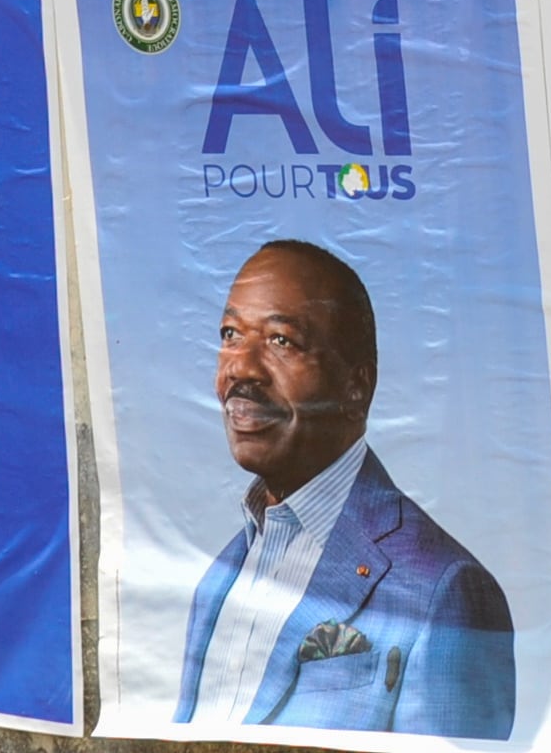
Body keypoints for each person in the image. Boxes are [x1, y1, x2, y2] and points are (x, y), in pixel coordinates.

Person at [177, 240, 514, 738]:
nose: (241, 368)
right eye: (230, 334)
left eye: (280, 341)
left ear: (356, 387)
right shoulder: (222, 574)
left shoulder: (444, 591)